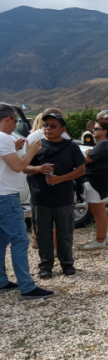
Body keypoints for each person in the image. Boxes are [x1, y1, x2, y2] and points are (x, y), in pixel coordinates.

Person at [0, 104, 54, 300]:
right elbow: (18, 167)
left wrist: (14, 151)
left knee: (2, 240)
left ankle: (2, 281)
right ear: (7, 119)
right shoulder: (4, 138)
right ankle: (27, 287)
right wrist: (30, 151)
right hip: (6, 197)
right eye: (15, 121)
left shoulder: (4, 141)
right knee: (20, 240)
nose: (15, 125)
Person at [24, 113, 86, 278]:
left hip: (63, 198)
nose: (48, 129)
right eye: (45, 125)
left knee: (65, 233)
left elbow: (81, 170)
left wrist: (60, 179)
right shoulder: (36, 145)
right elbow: (24, 167)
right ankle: (45, 266)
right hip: (40, 198)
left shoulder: (71, 147)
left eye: (53, 126)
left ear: (63, 130)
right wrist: (39, 169)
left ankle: (67, 264)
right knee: (42, 234)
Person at [82, 120, 108, 250]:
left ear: (104, 131)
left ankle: (100, 240)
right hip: (98, 180)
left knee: (98, 211)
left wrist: (86, 153)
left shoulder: (103, 143)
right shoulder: (105, 144)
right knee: (98, 210)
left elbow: (88, 159)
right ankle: (102, 237)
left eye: (96, 128)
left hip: (96, 181)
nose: (93, 130)